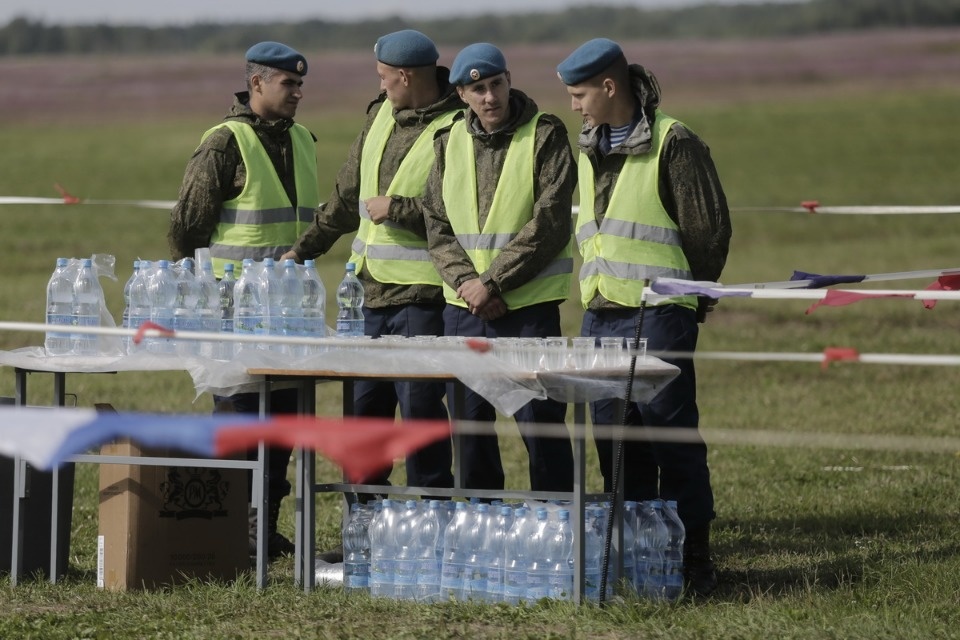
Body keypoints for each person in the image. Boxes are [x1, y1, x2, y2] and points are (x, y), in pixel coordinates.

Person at [556, 38, 732, 596]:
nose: (575, 106)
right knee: (614, 442)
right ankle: (639, 557)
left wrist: (690, 296)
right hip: (602, 314)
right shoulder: (587, 146)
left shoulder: (674, 143)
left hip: (659, 314)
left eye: (580, 94)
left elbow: (708, 233)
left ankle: (694, 560)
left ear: (610, 87)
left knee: (670, 437)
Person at [280, 30, 460, 506]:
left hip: (422, 299)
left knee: (421, 414)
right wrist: (303, 250)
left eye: (384, 78)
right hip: (367, 299)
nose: (380, 87)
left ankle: (433, 522)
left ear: (405, 76)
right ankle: (366, 526)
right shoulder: (379, 114)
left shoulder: (458, 127)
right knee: (364, 417)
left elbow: (463, 214)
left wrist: (397, 209)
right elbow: (344, 197)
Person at [167, 41, 319, 559]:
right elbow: (187, 227)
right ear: (256, 83)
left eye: (300, 84)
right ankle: (222, 528)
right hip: (235, 316)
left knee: (281, 427)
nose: (298, 92)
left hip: (289, 317)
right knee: (238, 425)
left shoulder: (303, 139)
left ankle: (261, 530)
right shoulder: (223, 143)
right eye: (288, 84)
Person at [417, 42, 575, 493]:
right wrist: (468, 284)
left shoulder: (545, 134)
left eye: (497, 84)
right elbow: (436, 222)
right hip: (463, 311)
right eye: (478, 89)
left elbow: (550, 222)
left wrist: (492, 283)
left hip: (528, 308)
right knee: (469, 429)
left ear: (509, 81)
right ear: (462, 95)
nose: (490, 97)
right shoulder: (447, 141)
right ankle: (478, 524)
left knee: (541, 425)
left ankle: (557, 519)